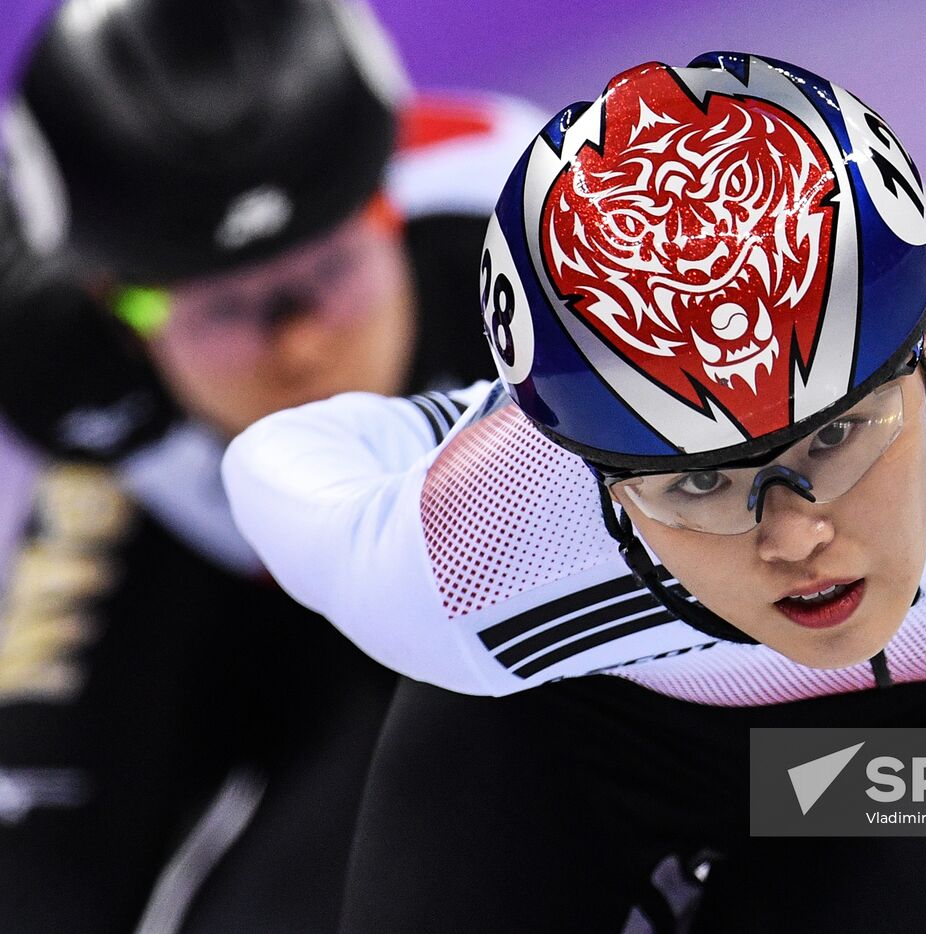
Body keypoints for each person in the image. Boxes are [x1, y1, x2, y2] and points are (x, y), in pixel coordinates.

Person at [223, 53, 926, 933]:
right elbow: (273, 464)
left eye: (833, 436)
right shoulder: (468, 558)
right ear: (590, 471)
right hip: (596, 731)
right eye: (696, 479)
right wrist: (467, 431)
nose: (793, 533)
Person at [0, 0, 539, 931]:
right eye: (223, 309)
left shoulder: (540, 247)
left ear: (387, 205)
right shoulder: (49, 359)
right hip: (206, 563)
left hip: (489, 558)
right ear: (114, 306)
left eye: (328, 270)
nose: (297, 350)